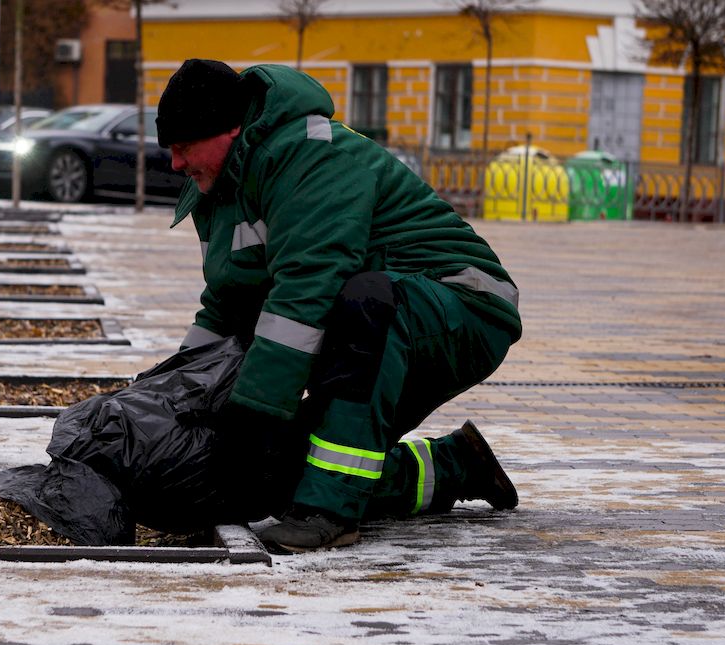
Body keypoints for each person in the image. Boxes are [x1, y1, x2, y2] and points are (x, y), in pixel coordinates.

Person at [155, 59, 522, 554]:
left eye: (183, 147)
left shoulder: (309, 155)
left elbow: (308, 289)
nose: (176, 164)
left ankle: (330, 516)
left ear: (230, 130)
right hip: (377, 316)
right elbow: (227, 306)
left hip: (461, 304)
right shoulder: (226, 187)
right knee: (278, 476)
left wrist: (254, 416)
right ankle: (457, 466)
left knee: (366, 304)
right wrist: (169, 391)